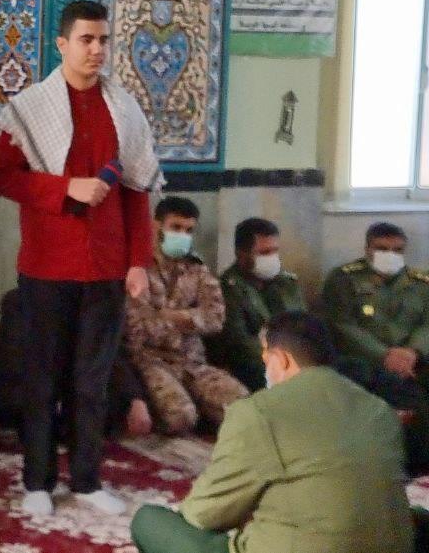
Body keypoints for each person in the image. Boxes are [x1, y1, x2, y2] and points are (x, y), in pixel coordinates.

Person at [0, 0, 160, 516]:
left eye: (103, 40)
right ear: (62, 44)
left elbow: (137, 190)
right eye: (86, 40)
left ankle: (87, 480)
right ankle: (38, 482)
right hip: (46, 267)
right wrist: (66, 188)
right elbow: (3, 178)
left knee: (93, 381)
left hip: (106, 269)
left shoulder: (123, 110)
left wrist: (138, 261)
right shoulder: (30, 108)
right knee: (42, 379)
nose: (96, 50)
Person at [131, 313, 415, 553]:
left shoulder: (258, 412)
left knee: (149, 521)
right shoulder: (379, 409)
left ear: (281, 360)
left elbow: (204, 513)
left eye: (266, 359)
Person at [123, 196, 246, 434]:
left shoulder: (196, 268)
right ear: (156, 226)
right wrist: (192, 318)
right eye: (176, 227)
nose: (183, 235)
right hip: (150, 363)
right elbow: (139, 326)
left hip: (192, 361)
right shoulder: (137, 268)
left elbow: (216, 319)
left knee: (242, 406)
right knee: (181, 417)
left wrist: (172, 316)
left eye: (189, 230)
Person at [319, 221, 429, 473]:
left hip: (413, 361)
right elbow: (341, 325)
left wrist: (412, 352)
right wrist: (384, 355)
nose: (391, 255)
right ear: (367, 249)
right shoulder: (343, 279)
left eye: (397, 249)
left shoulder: (421, 283)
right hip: (365, 361)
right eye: (382, 248)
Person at [0, 289, 152, 437]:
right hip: (25, 395)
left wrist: (136, 399)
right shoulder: (19, 302)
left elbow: (112, 354)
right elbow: (13, 367)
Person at [206, 217, 304, 392]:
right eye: (264, 253)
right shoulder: (227, 288)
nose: (272, 258)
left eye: (275, 251)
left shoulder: (287, 283)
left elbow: (304, 324)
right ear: (241, 254)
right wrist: (282, 361)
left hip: (296, 359)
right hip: (255, 364)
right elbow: (240, 343)